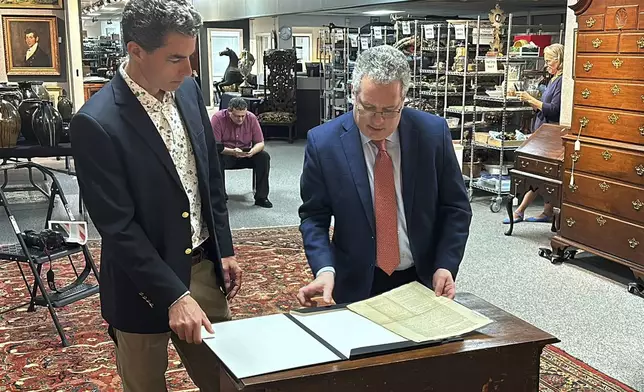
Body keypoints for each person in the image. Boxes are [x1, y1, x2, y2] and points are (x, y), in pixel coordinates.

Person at [69, 1, 242, 391]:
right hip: (140, 286)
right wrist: (173, 295)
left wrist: (224, 248)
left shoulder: (189, 91)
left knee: (228, 382)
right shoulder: (96, 122)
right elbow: (118, 227)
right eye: (176, 59)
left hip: (201, 266)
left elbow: (209, 176)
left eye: (191, 57)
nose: (190, 70)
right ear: (136, 52)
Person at [297, 45, 472, 307]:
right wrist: (324, 269)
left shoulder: (433, 134)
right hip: (356, 282)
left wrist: (445, 265)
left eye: (390, 111)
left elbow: (456, 207)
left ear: (404, 100)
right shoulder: (323, 144)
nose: (378, 121)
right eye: (368, 107)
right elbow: (314, 216)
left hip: (422, 278)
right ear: (353, 95)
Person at [504, 43, 564, 224]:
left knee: (538, 173)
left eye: (549, 61)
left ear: (559, 60)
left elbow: (554, 110)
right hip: (542, 130)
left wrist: (531, 99)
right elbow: (543, 110)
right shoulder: (553, 80)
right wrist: (531, 102)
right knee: (544, 175)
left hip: (550, 135)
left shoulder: (562, 81)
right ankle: (546, 212)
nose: (546, 66)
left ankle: (520, 210)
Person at [211, 97, 272, 208]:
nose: (240, 119)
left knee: (263, 156)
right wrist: (232, 152)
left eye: (243, 116)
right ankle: (220, 196)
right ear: (229, 112)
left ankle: (261, 197)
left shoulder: (251, 118)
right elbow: (214, 146)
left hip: (245, 153)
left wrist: (253, 151)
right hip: (226, 153)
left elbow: (260, 143)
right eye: (237, 116)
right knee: (215, 159)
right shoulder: (218, 118)